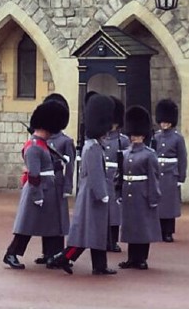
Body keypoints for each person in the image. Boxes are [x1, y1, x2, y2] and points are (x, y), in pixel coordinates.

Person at [47, 94, 117, 275]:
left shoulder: (93, 145)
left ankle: (99, 265)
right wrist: (103, 194)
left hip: (91, 196)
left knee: (96, 232)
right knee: (87, 233)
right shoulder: (93, 148)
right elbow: (95, 175)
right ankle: (62, 258)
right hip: (92, 197)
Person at [2, 100, 69, 270]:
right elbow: (34, 174)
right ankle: (11, 253)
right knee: (27, 226)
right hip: (38, 191)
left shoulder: (41, 144)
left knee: (51, 225)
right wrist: (37, 196)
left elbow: (45, 166)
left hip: (48, 188)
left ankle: (52, 255)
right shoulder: (33, 146)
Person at [33, 93, 76, 267]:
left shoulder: (65, 141)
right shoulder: (43, 139)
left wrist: (68, 185)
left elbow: (70, 165)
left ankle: (57, 252)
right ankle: (46, 252)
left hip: (57, 181)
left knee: (57, 220)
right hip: (45, 182)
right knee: (46, 218)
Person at [118, 105, 163, 270]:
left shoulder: (149, 154)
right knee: (131, 227)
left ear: (143, 135)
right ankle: (132, 258)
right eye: (133, 134)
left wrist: (153, 197)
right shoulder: (125, 153)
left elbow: (153, 177)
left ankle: (142, 258)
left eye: (137, 134)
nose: (135, 137)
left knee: (143, 227)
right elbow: (121, 175)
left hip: (142, 193)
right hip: (129, 192)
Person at [153, 99, 188, 243]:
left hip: (170, 174)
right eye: (162, 122)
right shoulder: (156, 136)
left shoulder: (177, 138)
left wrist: (181, 177)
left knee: (169, 205)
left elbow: (182, 157)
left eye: (167, 122)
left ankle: (168, 231)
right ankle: (159, 230)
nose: (164, 124)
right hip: (158, 174)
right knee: (158, 204)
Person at [102, 96, 130, 253]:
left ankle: (112, 241)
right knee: (103, 212)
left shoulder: (123, 141)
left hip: (115, 178)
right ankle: (103, 239)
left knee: (114, 213)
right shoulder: (101, 138)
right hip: (103, 176)